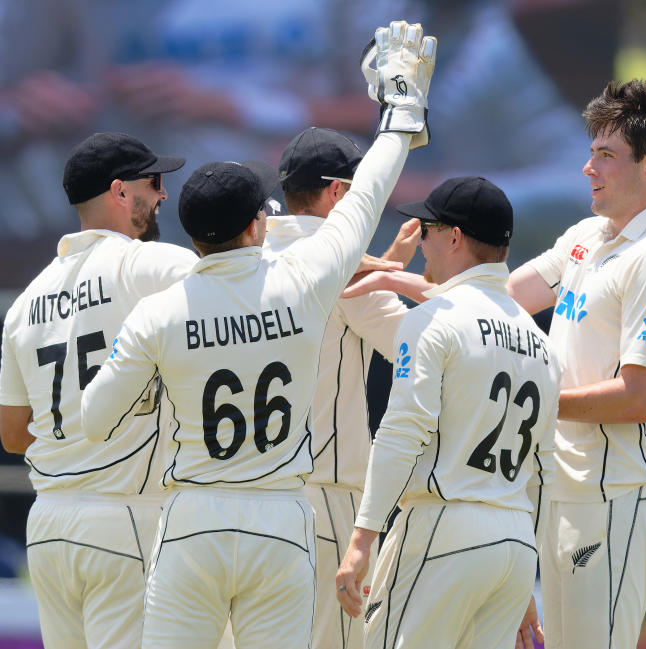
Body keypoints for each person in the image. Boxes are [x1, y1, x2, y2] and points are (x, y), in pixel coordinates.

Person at [78, 21, 435, 648]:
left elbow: (95, 419)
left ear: (190, 231)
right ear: (257, 224)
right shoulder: (305, 281)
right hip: (281, 515)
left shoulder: (159, 313)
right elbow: (367, 195)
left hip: (191, 516)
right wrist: (401, 112)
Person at [503, 78, 646, 648]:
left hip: (617, 491)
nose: (588, 168)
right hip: (566, 484)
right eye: (591, 153)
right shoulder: (589, 235)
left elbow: (635, 398)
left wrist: (537, 404)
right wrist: (383, 271)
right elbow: (499, 296)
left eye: (605, 156)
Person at [335, 176, 562, 649]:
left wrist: (361, 543)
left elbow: (401, 433)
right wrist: (523, 578)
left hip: (445, 527)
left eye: (428, 230)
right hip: (514, 542)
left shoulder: (432, 320)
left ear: (454, 236)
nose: (422, 246)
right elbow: (541, 471)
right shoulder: (543, 344)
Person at [0, 131, 196, 648]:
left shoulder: (25, 303)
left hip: (47, 525)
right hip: (126, 516)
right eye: (154, 182)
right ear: (120, 191)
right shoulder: (147, 264)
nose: (162, 195)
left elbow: (14, 435)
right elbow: (242, 279)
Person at [263, 125, 415, 649]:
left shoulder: (246, 258)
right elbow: (425, 349)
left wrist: (386, 266)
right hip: (324, 502)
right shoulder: (349, 277)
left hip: (246, 498)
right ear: (338, 193)